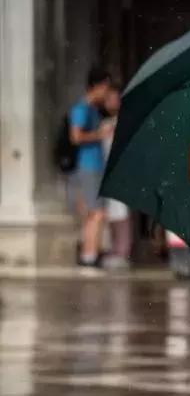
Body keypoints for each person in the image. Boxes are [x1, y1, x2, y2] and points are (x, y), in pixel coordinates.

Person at [68, 66, 113, 269]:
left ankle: (89, 254)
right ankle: (89, 255)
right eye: (106, 87)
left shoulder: (94, 110)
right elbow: (76, 137)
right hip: (88, 167)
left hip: (95, 166)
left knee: (94, 213)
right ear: (97, 86)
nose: (107, 92)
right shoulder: (81, 109)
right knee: (96, 213)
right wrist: (99, 135)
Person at [100, 85, 133, 269]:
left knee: (121, 213)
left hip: (120, 173)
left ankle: (123, 251)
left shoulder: (125, 122)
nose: (112, 102)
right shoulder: (103, 124)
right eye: (109, 99)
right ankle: (113, 250)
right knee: (109, 214)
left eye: (115, 98)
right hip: (104, 173)